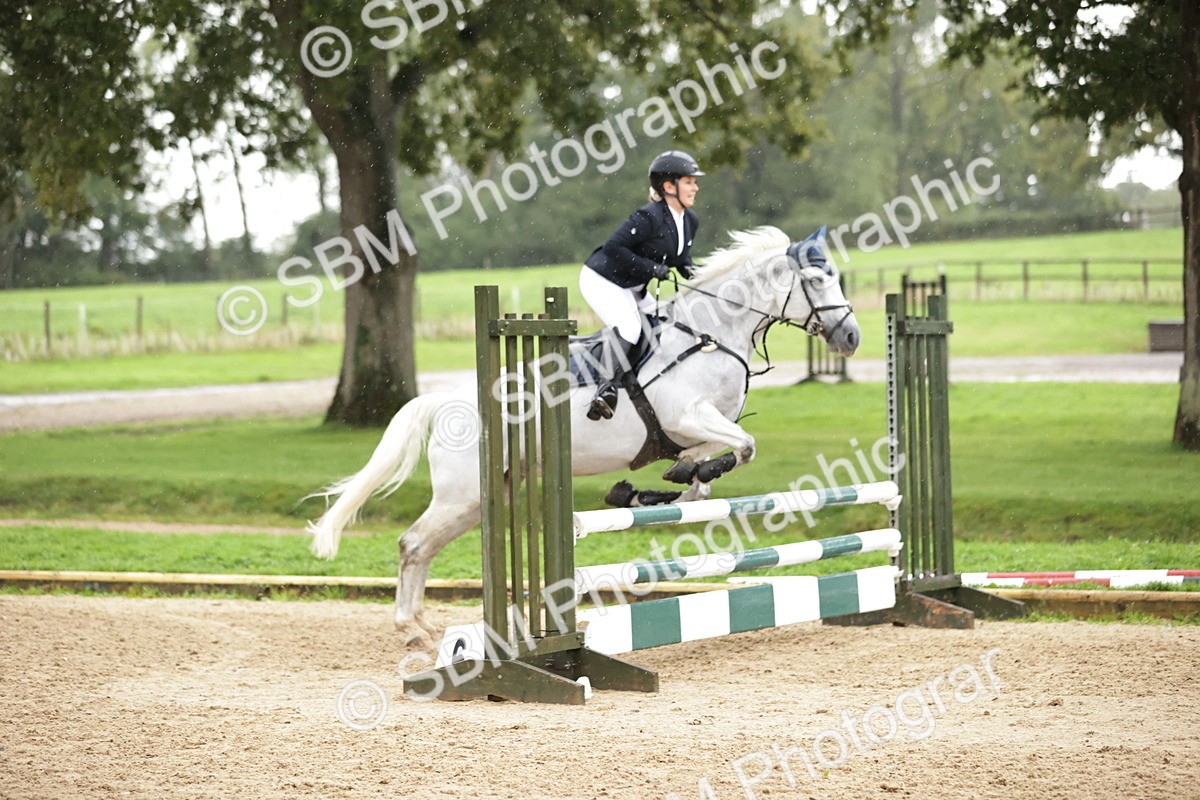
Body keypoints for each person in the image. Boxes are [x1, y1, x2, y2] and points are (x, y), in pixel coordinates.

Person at [579, 150, 704, 420]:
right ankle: (605, 390)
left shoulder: (689, 220)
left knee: (666, 323)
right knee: (630, 327)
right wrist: (651, 269)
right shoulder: (649, 217)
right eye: (689, 181)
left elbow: (683, 260)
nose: (696, 187)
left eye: (695, 182)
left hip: (633, 287)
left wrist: (703, 278)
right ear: (669, 186)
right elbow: (613, 247)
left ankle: (641, 381)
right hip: (602, 280)